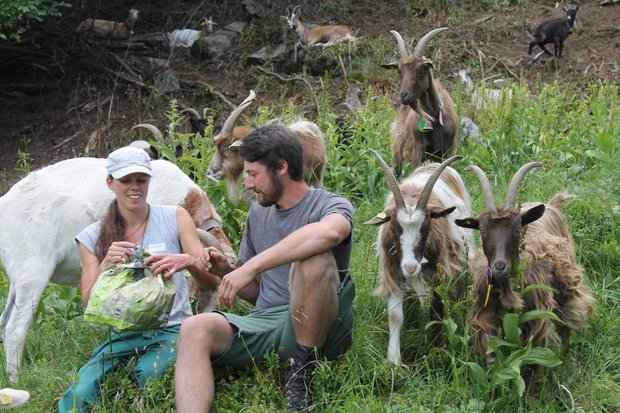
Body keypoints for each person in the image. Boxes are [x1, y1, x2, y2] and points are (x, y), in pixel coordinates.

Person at [174, 124, 356, 412]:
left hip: (322, 328)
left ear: (281, 167)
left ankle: (301, 374)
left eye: (253, 174)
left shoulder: (329, 204)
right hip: (268, 323)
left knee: (314, 257)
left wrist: (252, 266)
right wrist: (226, 271)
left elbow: (331, 233)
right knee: (194, 327)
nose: (248, 184)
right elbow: (260, 294)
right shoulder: (258, 213)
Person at [58, 147, 219, 413]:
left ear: (149, 181)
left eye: (141, 180)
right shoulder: (91, 237)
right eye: (126, 180)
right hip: (122, 335)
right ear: (110, 183)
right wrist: (106, 265)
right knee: (78, 395)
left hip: (174, 328)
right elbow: (88, 302)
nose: (135, 187)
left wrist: (188, 261)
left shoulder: (175, 217)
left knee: (149, 373)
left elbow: (212, 281)